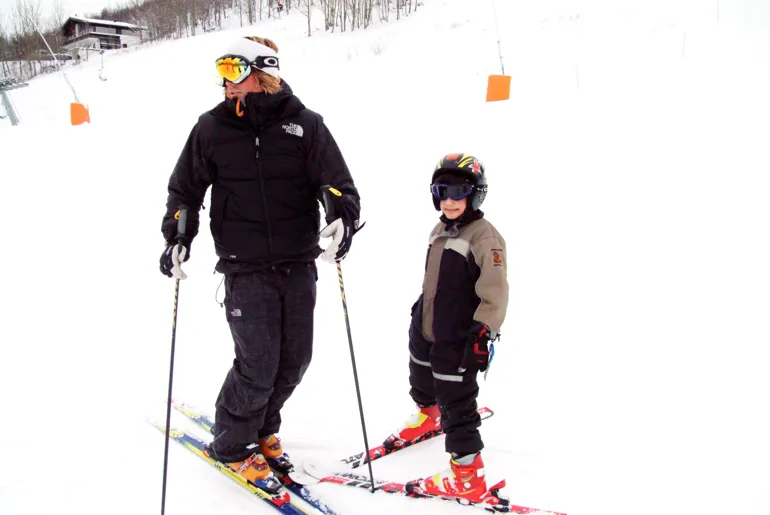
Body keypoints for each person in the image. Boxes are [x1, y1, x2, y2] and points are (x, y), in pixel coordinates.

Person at [159, 36, 361, 487]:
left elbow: (339, 186)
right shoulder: (210, 129)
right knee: (258, 363)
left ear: (261, 73)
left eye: (233, 70)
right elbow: (185, 191)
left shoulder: (305, 125)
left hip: (297, 262)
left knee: (295, 360)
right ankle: (232, 444)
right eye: (222, 73)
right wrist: (178, 234)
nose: (225, 83)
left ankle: (263, 428)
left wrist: (341, 220)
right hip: (244, 264)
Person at [384, 153, 508, 502]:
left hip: (459, 336)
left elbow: (496, 292)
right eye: (442, 190)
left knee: (457, 400)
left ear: (476, 193)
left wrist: (484, 332)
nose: (449, 199)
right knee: (421, 373)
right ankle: (428, 414)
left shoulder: (485, 238)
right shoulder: (439, 229)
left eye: (458, 191)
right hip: (428, 324)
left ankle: (468, 474)